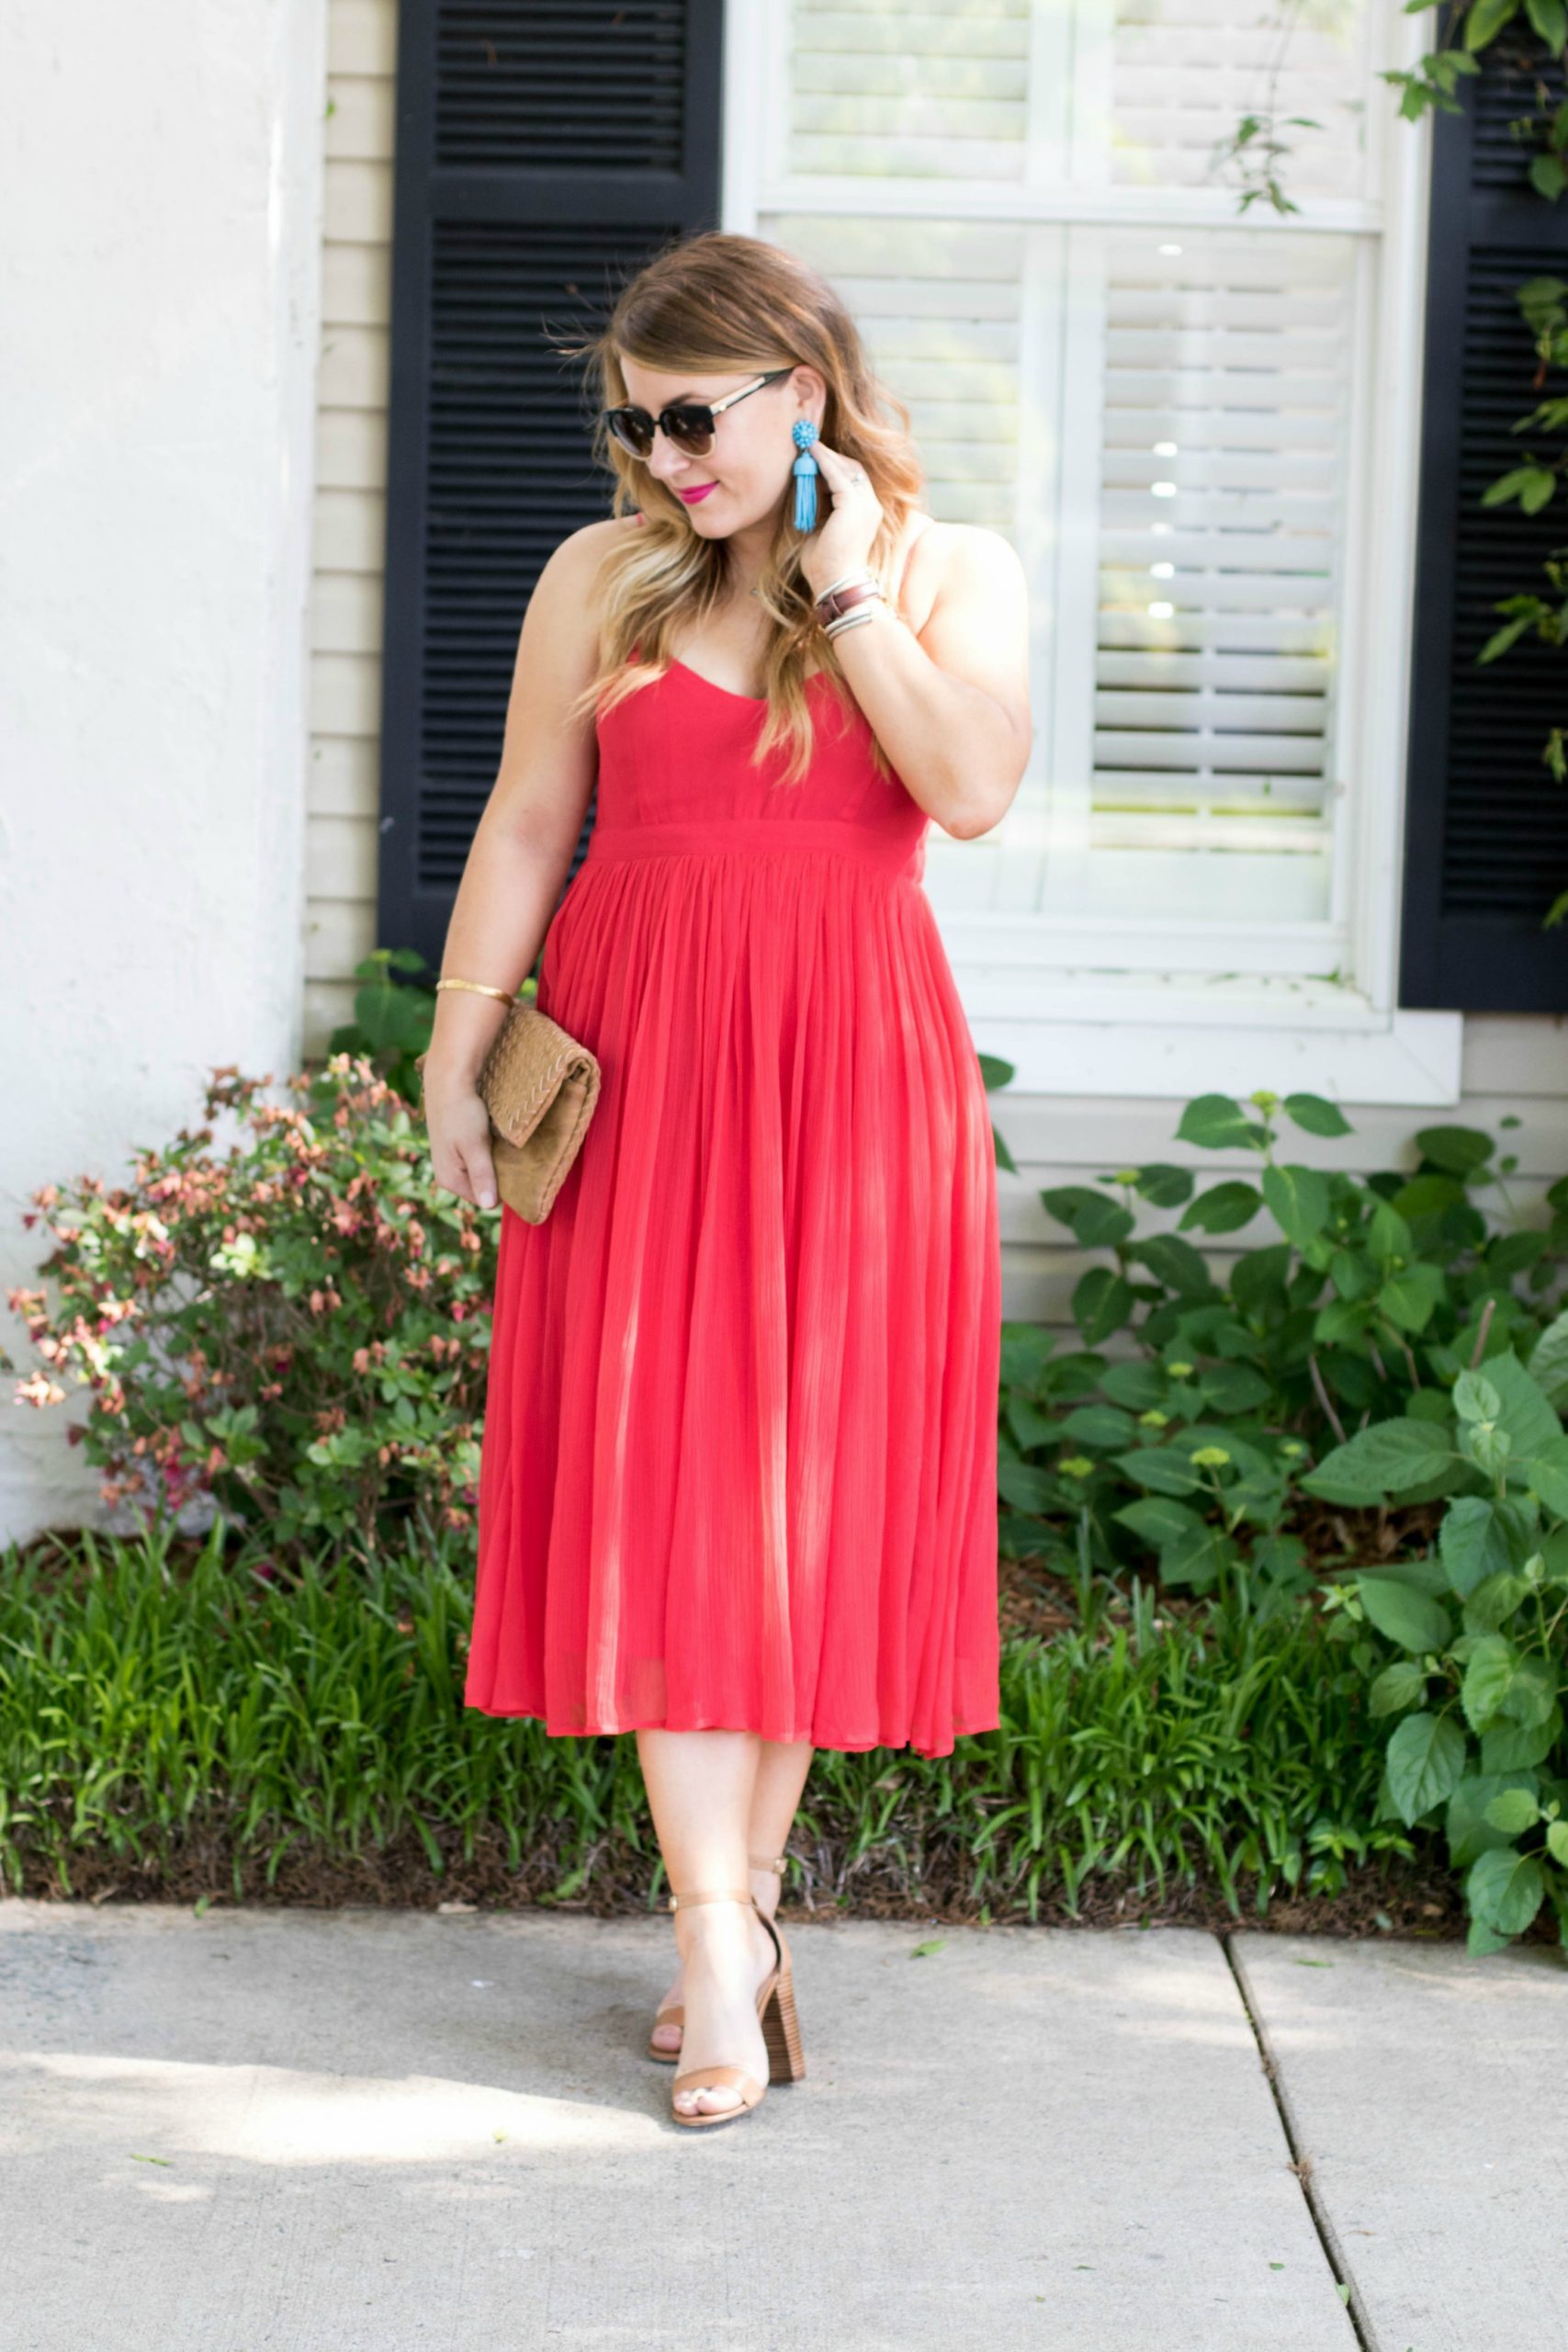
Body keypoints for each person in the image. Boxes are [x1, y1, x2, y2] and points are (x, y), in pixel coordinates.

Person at [420, 230, 1031, 2130]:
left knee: (805, 1503)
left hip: (853, 1074)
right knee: (670, 1485)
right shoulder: (597, 578)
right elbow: (529, 814)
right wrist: (457, 1038)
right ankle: (715, 1939)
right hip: (640, 1066)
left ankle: (730, 1923)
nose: (664, 454)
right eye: (636, 421)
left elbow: (971, 784)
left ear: (802, 386)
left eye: (696, 415)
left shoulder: (946, 570)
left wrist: (845, 590)